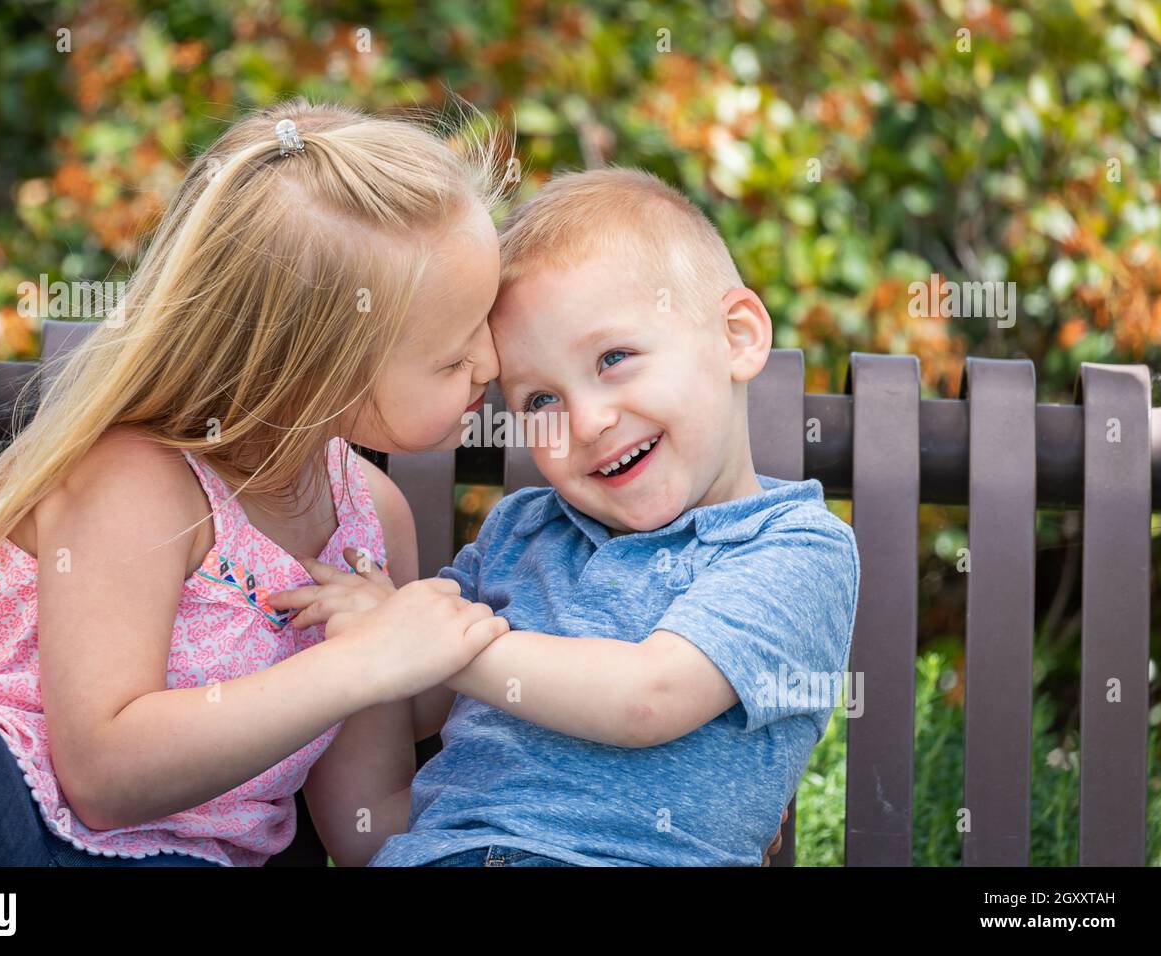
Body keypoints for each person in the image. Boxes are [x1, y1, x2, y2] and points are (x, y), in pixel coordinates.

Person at [0, 99, 513, 866]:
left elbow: (365, 825)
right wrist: (359, 662)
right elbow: (101, 777)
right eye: (452, 356)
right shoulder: (141, 486)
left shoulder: (372, 523)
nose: (492, 364)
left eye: (487, 321)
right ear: (312, 376)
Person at [274, 167, 859, 866]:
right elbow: (422, 704)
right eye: (540, 402)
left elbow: (650, 697)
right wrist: (365, 630)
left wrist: (427, 639)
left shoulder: (792, 547)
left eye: (615, 358)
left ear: (736, 336)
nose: (585, 420)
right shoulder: (520, 531)